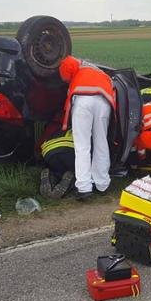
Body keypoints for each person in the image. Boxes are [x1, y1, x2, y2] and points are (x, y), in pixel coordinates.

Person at [58, 55, 116, 199]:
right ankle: (102, 184)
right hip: (104, 101)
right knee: (101, 143)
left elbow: (67, 69)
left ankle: (84, 188)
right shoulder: (99, 71)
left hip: (83, 101)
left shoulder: (72, 65)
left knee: (82, 145)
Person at [40, 129, 75, 199]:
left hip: (48, 150)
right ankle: (71, 178)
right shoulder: (83, 128)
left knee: (57, 171)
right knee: (80, 172)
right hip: (68, 148)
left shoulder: (62, 128)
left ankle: (51, 176)